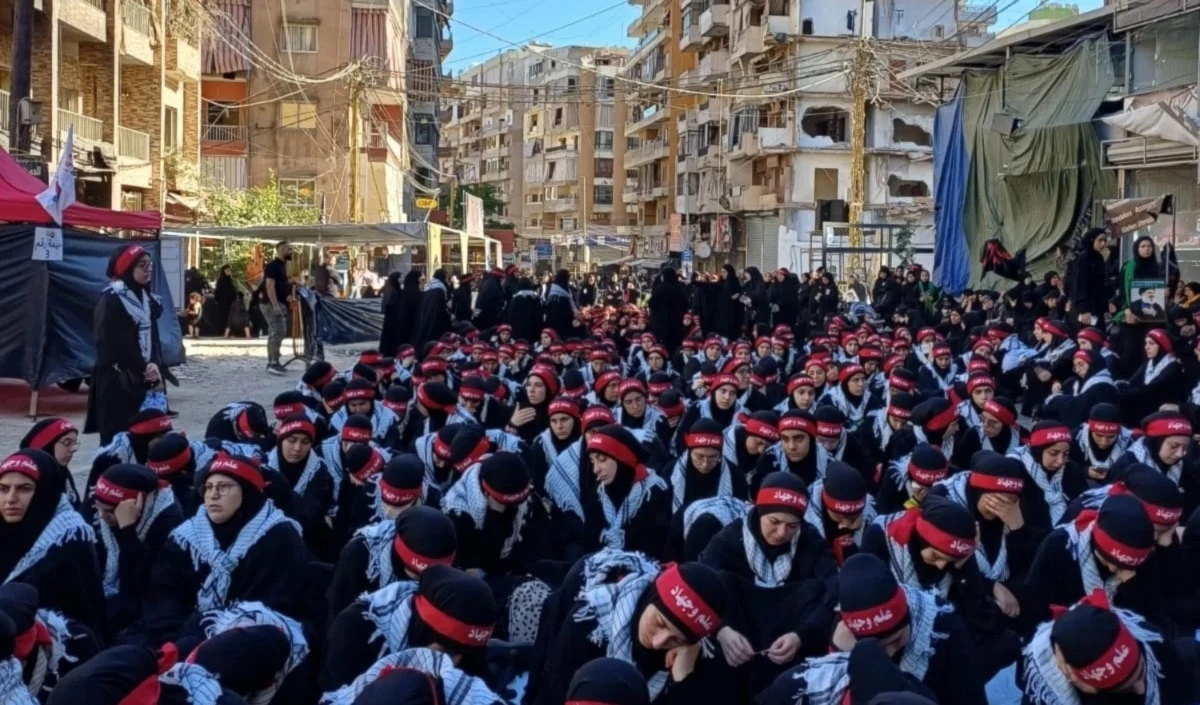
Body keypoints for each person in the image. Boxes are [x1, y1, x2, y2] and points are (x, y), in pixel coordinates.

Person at [85, 243, 176, 446]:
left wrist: (154, 363)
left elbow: (153, 337)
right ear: (127, 268)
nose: (148, 269)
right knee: (118, 440)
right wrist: (142, 367)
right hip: (118, 380)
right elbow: (110, 343)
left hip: (145, 376)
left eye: (149, 264)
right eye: (142, 265)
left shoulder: (146, 298)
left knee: (147, 437)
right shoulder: (112, 300)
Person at [261, 241, 295, 376]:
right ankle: (273, 363)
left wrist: (287, 296)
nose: (291, 251)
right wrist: (275, 305)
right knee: (279, 331)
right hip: (270, 303)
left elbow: (281, 286)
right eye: (289, 249)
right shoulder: (272, 266)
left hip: (277, 302)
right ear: (281, 250)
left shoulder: (282, 265)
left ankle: (273, 361)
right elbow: (270, 286)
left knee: (274, 332)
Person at [214, 264, 238, 337]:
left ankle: (228, 332)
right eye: (227, 270)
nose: (229, 271)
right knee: (223, 317)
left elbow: (232, 291)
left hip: (229, 302)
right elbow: (218, 291)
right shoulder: (221, 280)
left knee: (229, 317)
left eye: (229, 270)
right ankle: (222, 332)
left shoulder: (230, 280)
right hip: (223, 302)